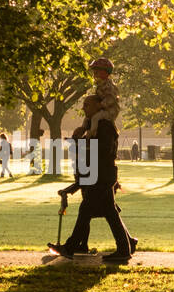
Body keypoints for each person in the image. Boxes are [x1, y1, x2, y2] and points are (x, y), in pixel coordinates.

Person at [49, 94, 137, 264]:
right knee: (109, 213)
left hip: (100, 175)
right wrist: (78, 138)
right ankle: (126, 246)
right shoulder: (95, 126)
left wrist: (79, 142)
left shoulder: (104, 126)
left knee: (86, 210)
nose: (84, 108)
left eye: (87, 105)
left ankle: (72, 246)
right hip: (100, 174)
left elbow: (101, 151)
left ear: (99, 105)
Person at [83, 57, 120, 138]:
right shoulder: (100, 85)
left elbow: (111, 98)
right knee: (87, 118)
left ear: (105, 73)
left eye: (97, 71)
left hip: (110, 110)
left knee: (95, 118)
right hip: (102, 109)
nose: (95, 73)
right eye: (94, 71)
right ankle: (83, 130)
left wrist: (101, 104)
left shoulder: (109, 86)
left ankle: (92, 133)